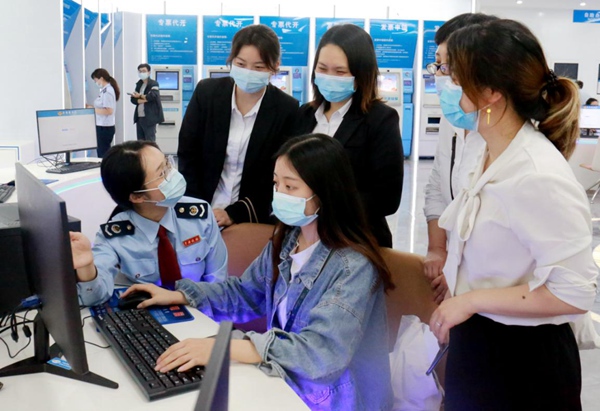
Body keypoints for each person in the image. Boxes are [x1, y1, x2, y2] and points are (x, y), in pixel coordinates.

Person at [123, 134, 395, 410]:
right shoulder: (288, 239)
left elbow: (320, 353)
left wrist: (224, 348)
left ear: (326, 192)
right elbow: (245, 293)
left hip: (333, 400)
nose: (279, 194)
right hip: (285, 383)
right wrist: (180, 294)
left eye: (290, 186)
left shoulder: (353, 267)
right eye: (277, 184)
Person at [428, 19, 598, 410]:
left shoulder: (537, 174)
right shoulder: (483, 150)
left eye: (452, 74)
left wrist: (470, 301)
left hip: (523, 363)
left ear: (490, 92)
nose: (442, 82)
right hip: (479, 342)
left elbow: (574, 292)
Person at [71, 141, 228, 307]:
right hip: (148, 314)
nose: (173, 174)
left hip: (199, 308)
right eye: (162, 173)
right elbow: (94, 298)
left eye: (168, 163)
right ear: (137, 197)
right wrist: (86, 267)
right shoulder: (115, 236)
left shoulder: (200, 216)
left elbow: (219, 284)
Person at [293, 24, 404, 247]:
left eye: (340, 72)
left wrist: (322, 207)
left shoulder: (380, 119)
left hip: (356, 241)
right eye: (322, 69)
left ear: (360, 74)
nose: (329, 77)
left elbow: (387, 198)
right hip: (304, 237)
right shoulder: (304, 115)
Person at [178, 25, 299, 228]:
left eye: (258, 67)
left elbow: (277, 174)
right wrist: (198, 207)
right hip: (201, 209)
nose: (248, 72)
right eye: (241, 64)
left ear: (275, 66)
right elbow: (188, 153)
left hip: (250, 216)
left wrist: (235, 213)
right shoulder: (207, 93)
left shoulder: (286, 109)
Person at [423, 13, 498, 304]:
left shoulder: (506, 140)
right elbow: (437, 185)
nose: (440, 76)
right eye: (438, 65)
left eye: (449, 66)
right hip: (457, 275)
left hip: (491, 290)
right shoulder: (453, 118)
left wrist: (458, 271)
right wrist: (438, 250)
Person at [88, 68, 119, 158]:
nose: (95, 83)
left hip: (104, 127)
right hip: (103, 126)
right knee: (103, 152)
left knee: (103, 154)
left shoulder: (107, 92)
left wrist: (92, 110)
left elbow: (109, 111)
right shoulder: (105, 90)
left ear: (101, 78)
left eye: (95, 80)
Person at [131, 64, 164, 142]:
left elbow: (153, 96)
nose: (141, 73)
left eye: (144, 71)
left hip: (149, 117)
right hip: (139, 117)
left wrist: (140, 96)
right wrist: (144, 99)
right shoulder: (139, 84)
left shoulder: (153, 83)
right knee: (140, 142)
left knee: (150, 141)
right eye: (140, 71)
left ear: (149, 72)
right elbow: (133, 100)